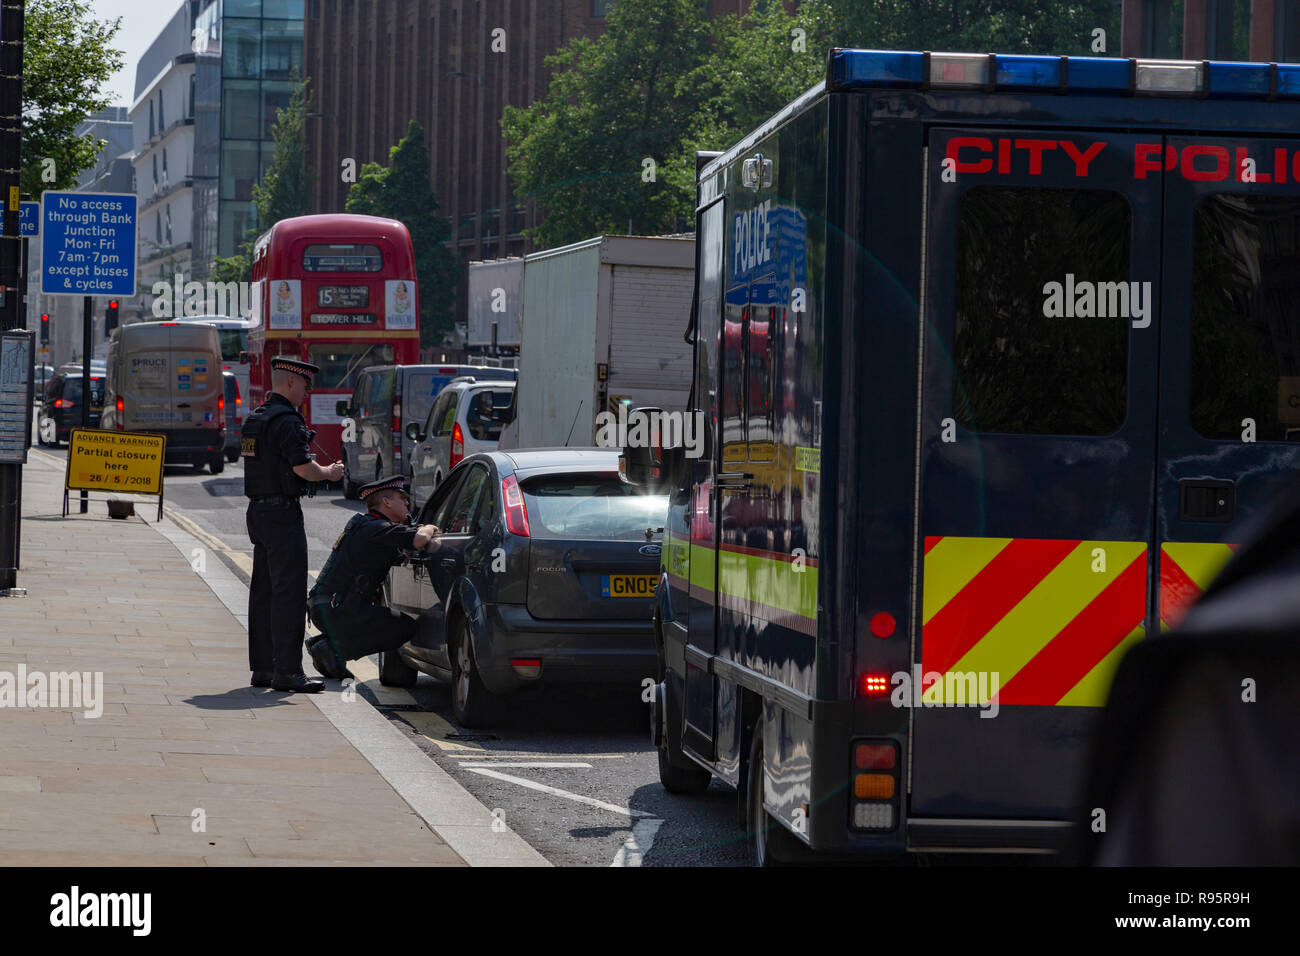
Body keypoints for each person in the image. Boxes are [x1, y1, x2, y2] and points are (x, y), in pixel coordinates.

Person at [242, 356, 345, 693]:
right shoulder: (287, 421)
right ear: (290, 382)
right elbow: (302, 467)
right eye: (304, 385)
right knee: (288, 594)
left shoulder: (256, 419)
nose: (307, 392)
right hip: (282, 514)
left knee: (264, 592)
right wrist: (328, 473)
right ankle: (288, 672)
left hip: (257, 512)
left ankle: (263, 668)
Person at [306, 476, 441, 680]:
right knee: (403, 627)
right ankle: (331, 649)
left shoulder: (368, 524)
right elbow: (419, 539)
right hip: (337, 608)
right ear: (386, 502)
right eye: (401, 498)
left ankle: (326, 646)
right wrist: (431, 527)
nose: (406, 503)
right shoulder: (377, 528)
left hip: (327, 605)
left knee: (387, 619)